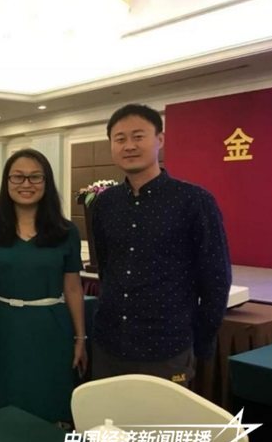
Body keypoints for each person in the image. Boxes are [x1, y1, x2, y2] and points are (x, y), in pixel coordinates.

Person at [91, 103, 231, 386]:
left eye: (138, 136)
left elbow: (216, 279)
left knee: (162, 416)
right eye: (120, 139)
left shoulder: (194, 201)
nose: (129, 145)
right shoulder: (105, 204)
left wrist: (200, 342)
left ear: (160, 140)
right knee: (107, 414)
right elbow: (106, 268)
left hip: (166, 346)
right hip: (109, 342)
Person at [0, 148, 87, 423]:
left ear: (46, 182)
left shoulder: (65, 231)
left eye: (35, 177)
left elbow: (73, 288)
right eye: (18, 177)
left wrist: (80, 338)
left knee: (52, 395)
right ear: (7, 182)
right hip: (5, 326)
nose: (26, 184)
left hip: (52, 326)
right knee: (9, 397)